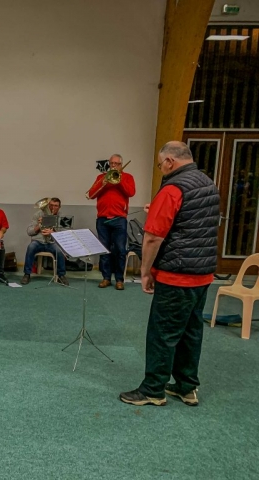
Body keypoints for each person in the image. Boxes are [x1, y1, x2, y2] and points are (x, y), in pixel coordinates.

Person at [119, 141, 219, 407]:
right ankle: (187, 387)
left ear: (170, 162)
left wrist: (145, 271)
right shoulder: (207, 183)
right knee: (190, 332)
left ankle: (153, 389)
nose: (161, 169)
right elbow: (192, 223)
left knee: (162, 333)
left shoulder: (173, 188)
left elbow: (153, 237)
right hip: (202, 273)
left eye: (160, 164)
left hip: (177, 274)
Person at [87, 153, 135, 290]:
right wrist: (102, 184)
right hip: (102, 219)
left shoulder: (128, 177)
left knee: (120, 250)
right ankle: (106, 278)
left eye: (116, 164)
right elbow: (91, 195)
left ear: (121, 165)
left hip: (119, 219)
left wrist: (120, 181)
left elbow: (131, 192)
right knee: (104, 250)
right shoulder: (101, 177)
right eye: (112, 163)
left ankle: (119, 279)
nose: (113, 166)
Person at [21, 197, 68, 286]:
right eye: (51, 205)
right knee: (31, 247)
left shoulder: (62, 218)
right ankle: (27, 274)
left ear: (59, 207)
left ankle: (61, 275)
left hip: (52, 242)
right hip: (38, 241)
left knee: (59, 251)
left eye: (56, 206)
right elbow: (29, 232)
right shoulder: (38, 215)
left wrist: (53, 232)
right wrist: (39, 225)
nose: (53, 208)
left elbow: (65, 234)